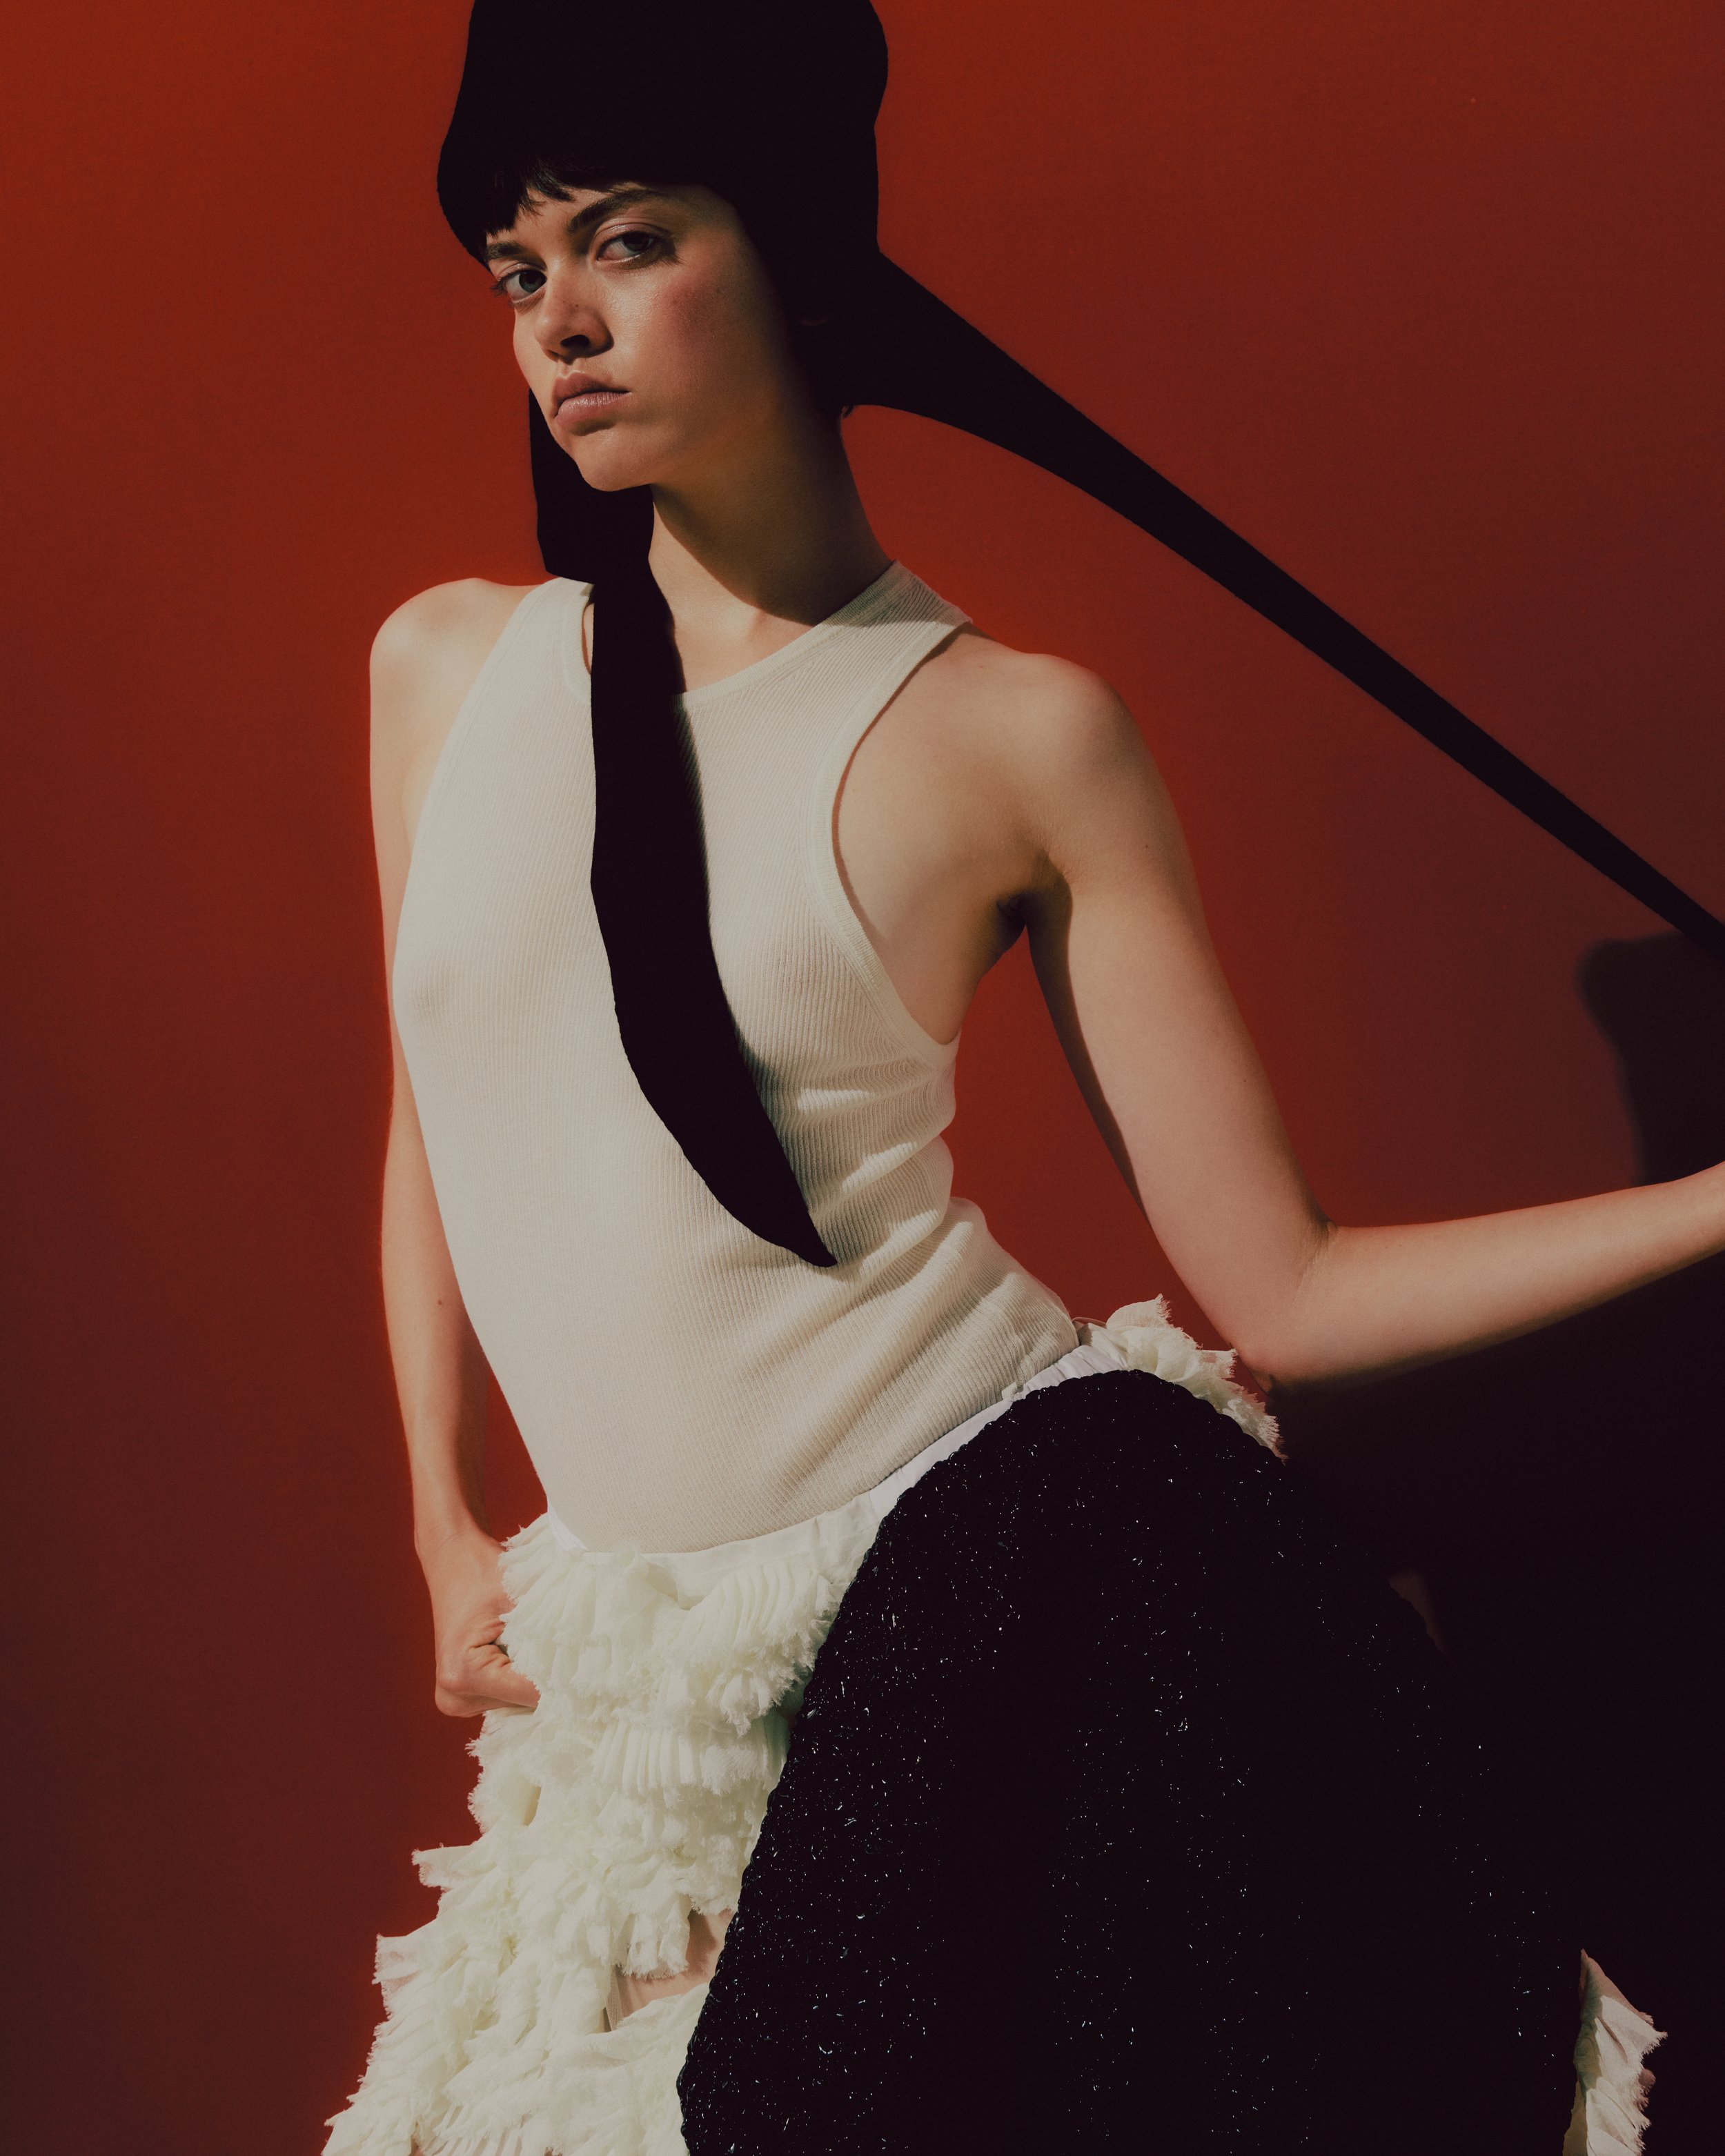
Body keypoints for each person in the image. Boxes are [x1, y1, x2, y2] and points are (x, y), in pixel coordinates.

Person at [323, 3, 1697, 2150]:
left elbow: (1290, 1285)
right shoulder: (441, 668)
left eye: (630, 240)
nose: (557, 322)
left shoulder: (1016, 732)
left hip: (990, 1577)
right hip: (633, 1646)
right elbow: (438, 1114)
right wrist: (438, 1517)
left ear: (791, 247)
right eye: (518, 269)